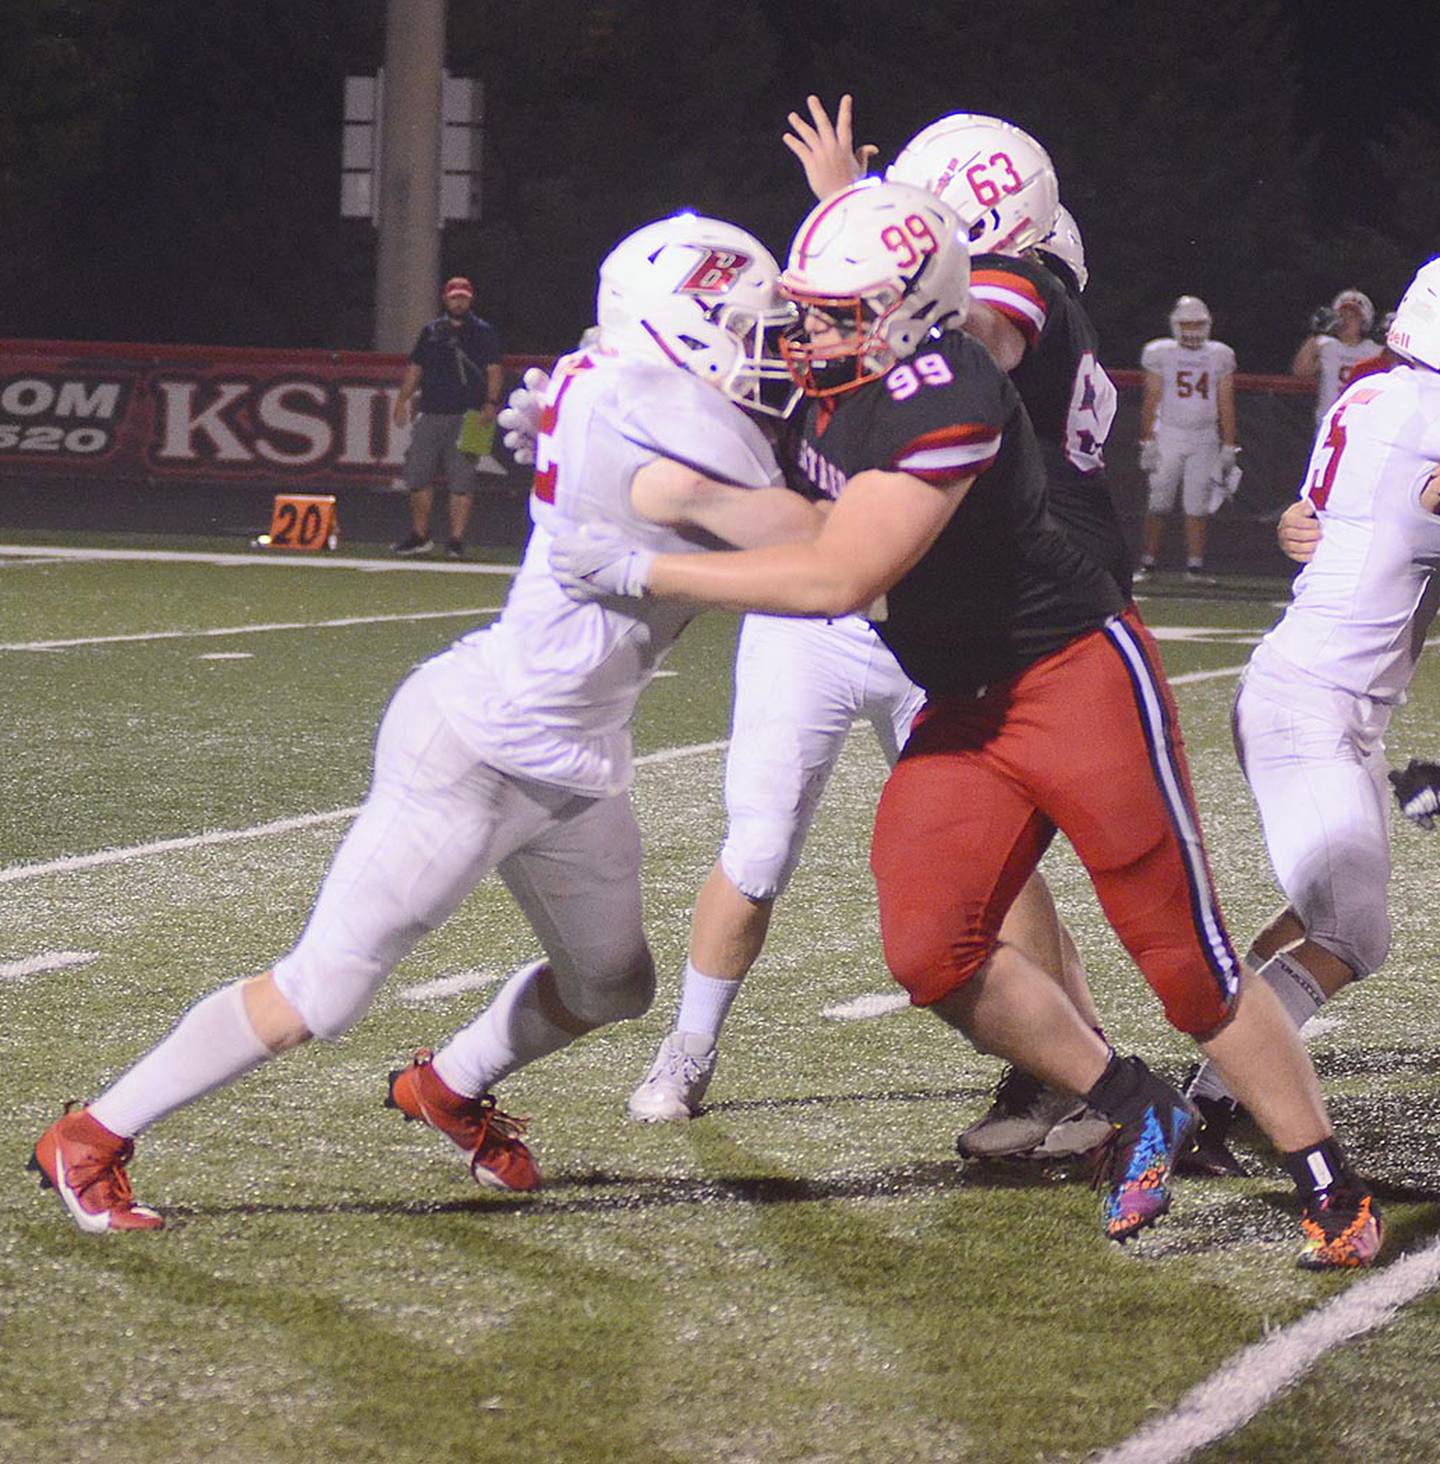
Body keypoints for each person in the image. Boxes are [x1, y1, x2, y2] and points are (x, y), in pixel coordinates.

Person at [550, 179, 1382, 1268]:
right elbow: (791, 511)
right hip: (968, 707)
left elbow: (845, 566)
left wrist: (648, 560)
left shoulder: (954, 384)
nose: (810, 332)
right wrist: (647, 456)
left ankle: (1331, 1184)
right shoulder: (829, 379)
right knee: (928, 947)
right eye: (810, 308)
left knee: (1185, 962)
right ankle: (1136, 1106)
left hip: (1076, 678)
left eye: (838, 313)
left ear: (907, 315)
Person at [28, 215, 822, 1232]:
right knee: (320, 995)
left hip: (574, 760)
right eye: (746, 329)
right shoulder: (657, 426)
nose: (766, 353)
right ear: (680, 331)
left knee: (615, 984)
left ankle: (447, 1086)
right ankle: (91, 1136)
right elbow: (807, 546)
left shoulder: (632, 393)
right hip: (475, 746)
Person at [625, 103, 1113, 1164]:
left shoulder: (1006, 295)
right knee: (757, 843)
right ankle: (689, 1050)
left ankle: (1089, 1077)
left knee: (999, 873)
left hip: (934, 617)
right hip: (842, 612)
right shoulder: (907, 323)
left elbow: (962, 338)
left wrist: (846, 205)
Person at [1179, 260, 1440, 1184]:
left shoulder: (1374, 397)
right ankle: (1197, 1105)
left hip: (1319, 697)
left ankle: (1220, 1072)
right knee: (1352, 930)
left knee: (1317, 910)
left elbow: (1318, 517)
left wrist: (1307, 521)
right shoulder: (1425, 420)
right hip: (1313, 705)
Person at [391, 276, 505, 561]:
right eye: (454, 297)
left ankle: (455, 539)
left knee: (462, 479)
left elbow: (494, 369)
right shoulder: (431, 332)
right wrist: (402, 400)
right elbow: (415, 368)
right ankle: (420, 534)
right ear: (445, 299)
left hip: (470, 414)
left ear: (470, 299)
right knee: (417, 474)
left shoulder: (483, 332)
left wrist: (491, 402)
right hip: (431, 411)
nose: (459, 302)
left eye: (463, 297)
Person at [1136, 297, 1239, 582]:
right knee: (1159, 500)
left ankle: (1194, 567)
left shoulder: (1219, 355)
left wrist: (1229, 445)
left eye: (1198, 324)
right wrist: (1147, 440)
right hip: (1169, 433)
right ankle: (1148, 563)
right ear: (1175, 325)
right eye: (1187, 324)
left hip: (1204, 437)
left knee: (1197, 503)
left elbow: (1226, 402)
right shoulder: (1162, 353)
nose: (1192, 329)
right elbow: (1151, 397)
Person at [1292, 288, 1384, 426]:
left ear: (1364, 321)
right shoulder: (1325, 345)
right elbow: (1301, 371)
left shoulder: (1375, 351)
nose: (1347, 320)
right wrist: (1315, 334)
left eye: (1353, 317)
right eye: (1342, 315)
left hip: (1364, 422)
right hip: (1330, 423)